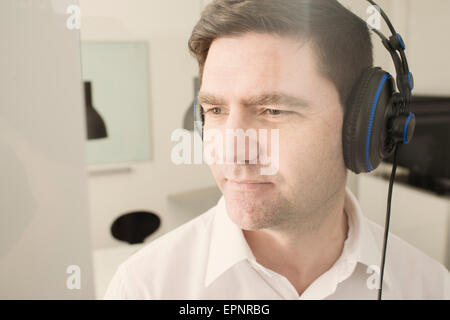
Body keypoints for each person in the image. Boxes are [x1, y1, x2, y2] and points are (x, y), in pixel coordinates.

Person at [104, 0, 449, 299]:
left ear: (362, 127)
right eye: (216, 111)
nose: (232, 152)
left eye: (273, 111)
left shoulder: (429, 288)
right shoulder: (144, 288)